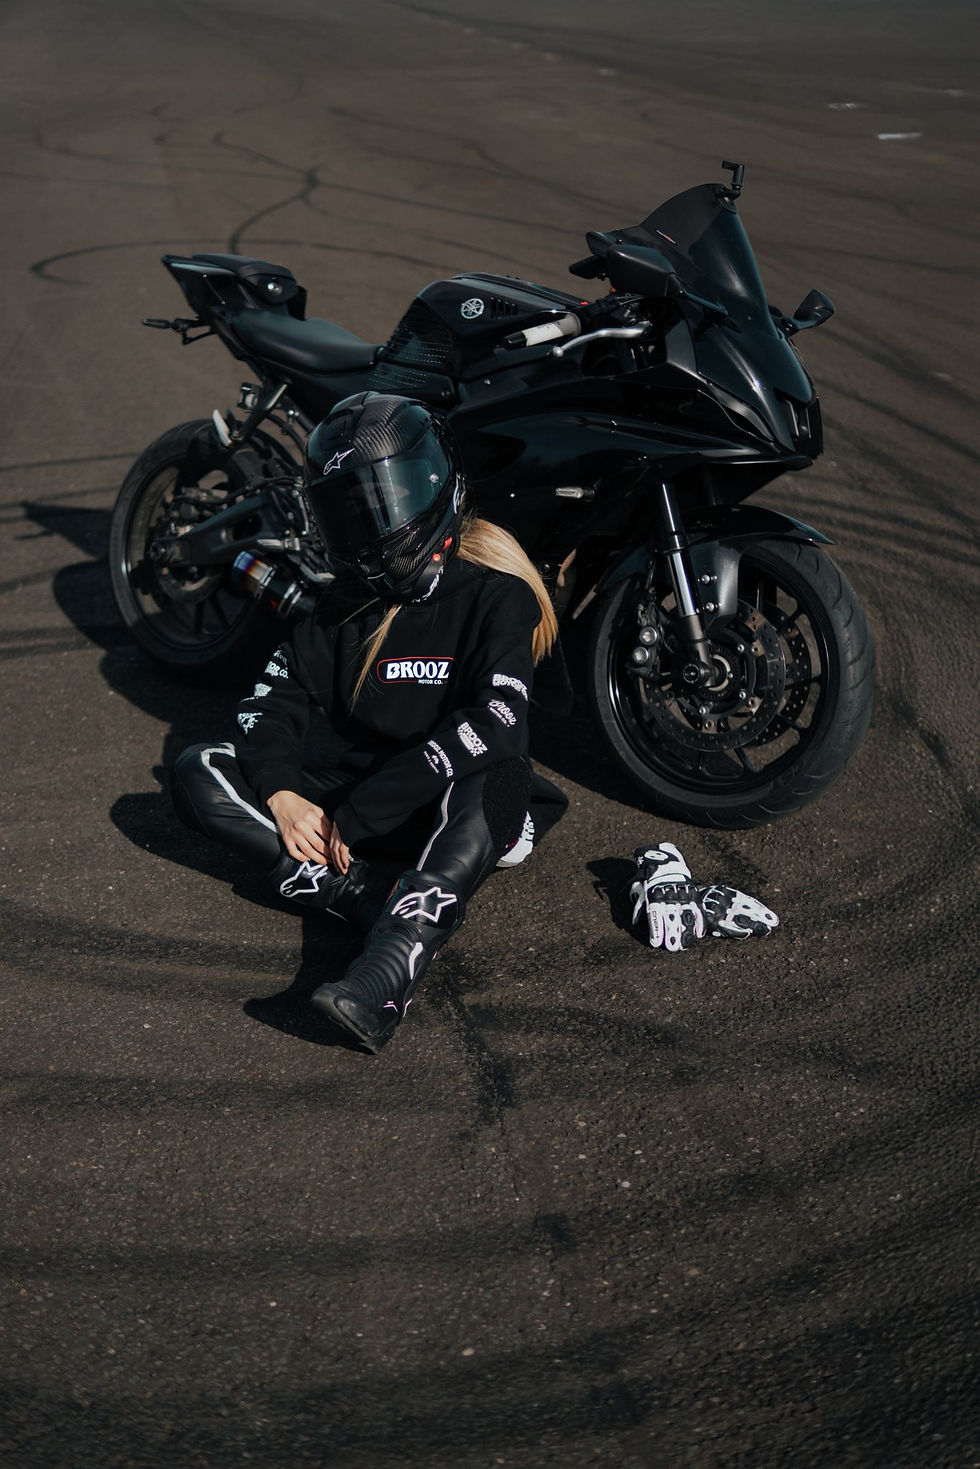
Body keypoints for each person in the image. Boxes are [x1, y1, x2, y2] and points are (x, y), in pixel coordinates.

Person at [171, 391, 568, 1052]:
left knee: (492, 763)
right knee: (199, 770)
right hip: (360, 815)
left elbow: (498, 723)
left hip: (457, 806)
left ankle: (387, 974)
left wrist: (362, 813)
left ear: (434, 483)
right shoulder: (345, 602)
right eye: (349, 509)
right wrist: (281, 791)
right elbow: (272, 700)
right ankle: (369, 899)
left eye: (385, 499)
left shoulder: (498, 591)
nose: (372, 526)